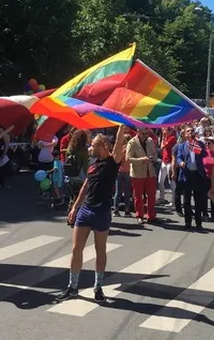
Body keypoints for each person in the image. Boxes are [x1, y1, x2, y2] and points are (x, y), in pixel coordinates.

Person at [57, 125, 127, 303]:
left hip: (102, 211)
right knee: (76, 249)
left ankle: (98, 287)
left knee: (100, 250)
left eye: (94, 145)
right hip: (86, 210)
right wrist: (75, 207)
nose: (90, 147)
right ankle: (72, 287)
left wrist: (121, 123)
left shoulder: (112, 162)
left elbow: (119, 142)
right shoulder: (93, 163)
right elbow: (86, 186)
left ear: (103, 145)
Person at [176, 126, 208, 230]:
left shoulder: (199, 144)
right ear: (185, 135)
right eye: (188, 131)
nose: (190, 132)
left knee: (198, 200)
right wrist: (180, 162)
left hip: (197, 175)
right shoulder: (182, 146)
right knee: (186, 200)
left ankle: (198, 222)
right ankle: (188, 222)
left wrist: (197, 147)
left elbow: (204, 154)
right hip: (187, 174)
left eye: (192, 131)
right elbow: (178, 157)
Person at [126, 128, 158, 224]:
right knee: (138, 195)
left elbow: (155, 154)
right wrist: (141, 159)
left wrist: (153, 158)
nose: (145, 135)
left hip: (150, 171)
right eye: (143, 133)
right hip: (138, 172)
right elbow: (128, 158)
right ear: (138, 132)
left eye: (147, 133)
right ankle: (139, 215)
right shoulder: (132, 142)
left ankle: (151, 216)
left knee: (151, 195)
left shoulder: (150, 140)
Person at [202, 138, 214, 221]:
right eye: (206, 143)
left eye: (209, 143)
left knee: (213, 195)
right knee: (204, 197)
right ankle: (205, 214)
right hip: (205, 177)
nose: (207, 145)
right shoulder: (204, 153)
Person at [113, 134, 132, 217]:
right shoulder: (130, 149)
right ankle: (127, 210)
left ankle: (116, 209)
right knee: (127, 192)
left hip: (119, 171)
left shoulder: (120, 148)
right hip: (127, 171)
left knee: (118, 191)